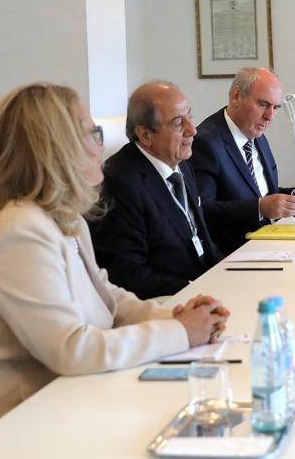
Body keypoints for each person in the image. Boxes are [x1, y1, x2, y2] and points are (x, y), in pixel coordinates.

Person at [0, 83, 230, 445]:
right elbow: (72, 350)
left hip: (37, 417)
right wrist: (180, 332)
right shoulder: (17, 229)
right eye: (93, 134)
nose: (101, 146)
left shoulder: (63, 217)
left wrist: (176, 315)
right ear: (55, 148)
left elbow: (107, 297)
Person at [89, 82, 222, 299]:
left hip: (204, 289)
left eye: (189, 116)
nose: (193, 130)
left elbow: (200, 239)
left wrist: (228, 274)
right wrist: (193, 289)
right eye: (178, 123)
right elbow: (127, 273)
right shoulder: (119, 183)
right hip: (168, 301)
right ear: (145, 135)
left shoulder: (180, 163)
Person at [191, 67, 295, 255]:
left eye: (275, 107)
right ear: (236, 96)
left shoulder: (256, 135)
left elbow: (262, 193)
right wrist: (259, 208)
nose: (270, 116)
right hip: (236, 252)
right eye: (263, 104)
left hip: (270, 241)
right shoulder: (205, 142)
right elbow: (202, 212)